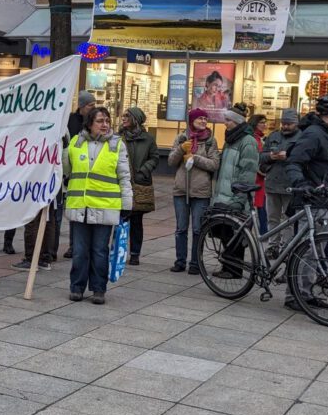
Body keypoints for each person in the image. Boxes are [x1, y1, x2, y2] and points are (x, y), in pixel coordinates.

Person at [284, 93, 328, 310]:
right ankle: (295, 295)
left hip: (324, 200)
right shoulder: (314, 133)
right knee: (307, 251)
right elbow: (294, 162)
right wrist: (301, 183)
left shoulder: (325, 134)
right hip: (314, 200)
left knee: (315, 252)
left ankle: (305, 293)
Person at [64, 106, 132, 304]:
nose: (105, 125)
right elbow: (66, 169)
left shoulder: (117, 145)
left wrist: (127, 205)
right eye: (100, 121)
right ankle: (77, 287)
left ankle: (98, 289)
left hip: (105, 206)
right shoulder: (76, 142)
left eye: (107, 121)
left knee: (100, 251)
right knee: (79, 251)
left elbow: (124, 177)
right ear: (89, 124)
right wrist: (63, 147)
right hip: (80, 205)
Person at [167, 108, 220, 274]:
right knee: (181, 228)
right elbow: (171, 162)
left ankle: (196, 263)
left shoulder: (210, 140)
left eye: (205, 118)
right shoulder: (181, 137)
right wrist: (181, 149)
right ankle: (180, 261)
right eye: (200, 118)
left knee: (198, 229)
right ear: (191, 121)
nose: (203, 121)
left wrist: (195, 158)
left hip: (201, 191)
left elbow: (214, 164)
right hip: (181, 190)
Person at [211, 103, 259, 281]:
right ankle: (228, 266)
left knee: (235, 233)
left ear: (238, 122)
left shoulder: (248, 141)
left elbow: (248, 171)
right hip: (224, 194)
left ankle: (234, 270)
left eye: (228, 120)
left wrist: (240, 197)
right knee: (225, 232)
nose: (225, 123)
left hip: (236, 195)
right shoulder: (231, 139)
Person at [120, 107, 159, 266]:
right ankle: (119, 251)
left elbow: (155, 158)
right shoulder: (119, 137)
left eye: (127, 116)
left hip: (139, 184)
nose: (123, 118)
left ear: (135, 119)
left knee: (136, 221)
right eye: (123, 116)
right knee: (121, 219)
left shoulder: (148, 139)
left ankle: (135, 253)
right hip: (121, 183)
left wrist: (143, 171)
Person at [259, 108, 301, 256]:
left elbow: (304, 158)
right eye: (283, 123)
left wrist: (288, 157)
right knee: (272, 218)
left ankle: (286, 247)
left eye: (289, 124)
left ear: (296, 123)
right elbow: (261, 156)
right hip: (272, 183)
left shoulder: (302, 137)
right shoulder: (274, 136)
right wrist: (271, 157)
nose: (285, 126)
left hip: (291, 185)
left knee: (288, 219)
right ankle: (273, 246)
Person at [61, 91, 97, 259]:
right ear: (82, 106)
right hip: (74, 173)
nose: (93, 108)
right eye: (90, 105)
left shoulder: (94, 121)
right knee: (74, 213)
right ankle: (73, 246)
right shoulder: (71, 120)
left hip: (91, 172)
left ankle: (86, 245)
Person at [248, 114, 268, 234]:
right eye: (262, 122)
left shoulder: (260, 138)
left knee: (260, 205)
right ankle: (261, 232)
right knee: (257, 206)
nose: (265, 125)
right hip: (255, 176)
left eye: (265, 122)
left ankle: (262, 231)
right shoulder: (254, 139)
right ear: (255, 123)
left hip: (259, 177)